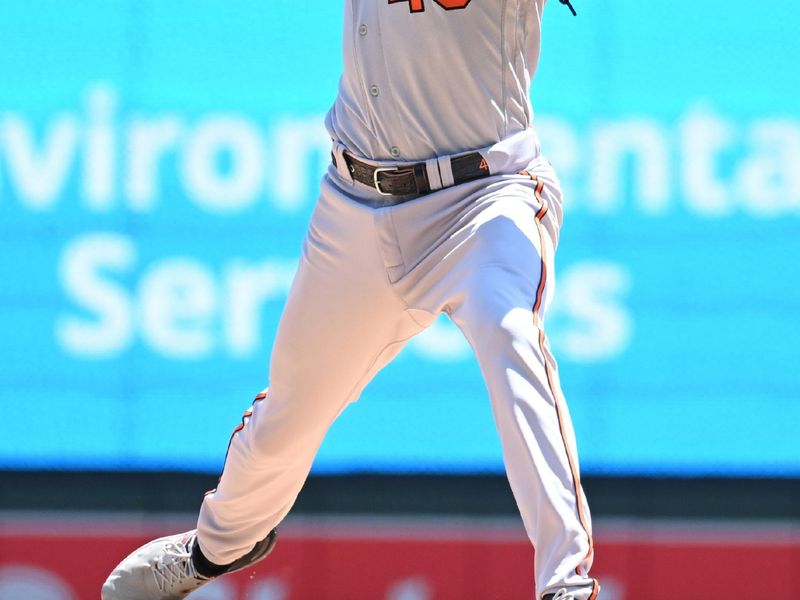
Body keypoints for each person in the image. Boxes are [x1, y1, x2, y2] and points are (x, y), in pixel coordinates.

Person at [102, 0, 599, 598]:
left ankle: (565, 583)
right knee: (292, 407)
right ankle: (214, 550)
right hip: (354, 207)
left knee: (508, 329)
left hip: (483, 197)